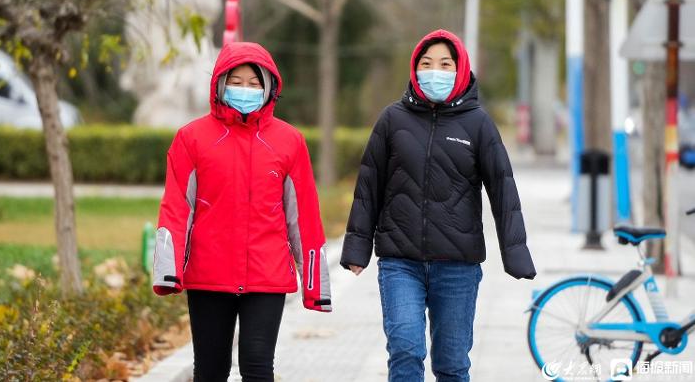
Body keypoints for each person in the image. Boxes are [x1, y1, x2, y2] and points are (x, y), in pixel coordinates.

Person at [340, 29, 536, 382]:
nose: (435, 72)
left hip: (458, 267)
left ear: (459, 70)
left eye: (445, 64)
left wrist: (516, 252)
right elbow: (369, 184)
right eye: (427, 64)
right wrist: (357, 247)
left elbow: (504, 190)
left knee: (452, 365)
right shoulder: (392, 120)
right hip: (400, 263)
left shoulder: (478, 123)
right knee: (405, 349)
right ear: (415, 70)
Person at [153, 41, 332, 382]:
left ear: (269, 88)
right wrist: (168, 270)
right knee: (210, 370)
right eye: (237, 81)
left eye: (255, 83)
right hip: (209, 272)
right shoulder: (191, 138)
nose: (246, 90)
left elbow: (303, 215)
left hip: (267, 275)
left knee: (258, 367)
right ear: (220, 84)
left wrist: (315, 284)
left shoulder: (289, 141)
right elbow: (178, 207)